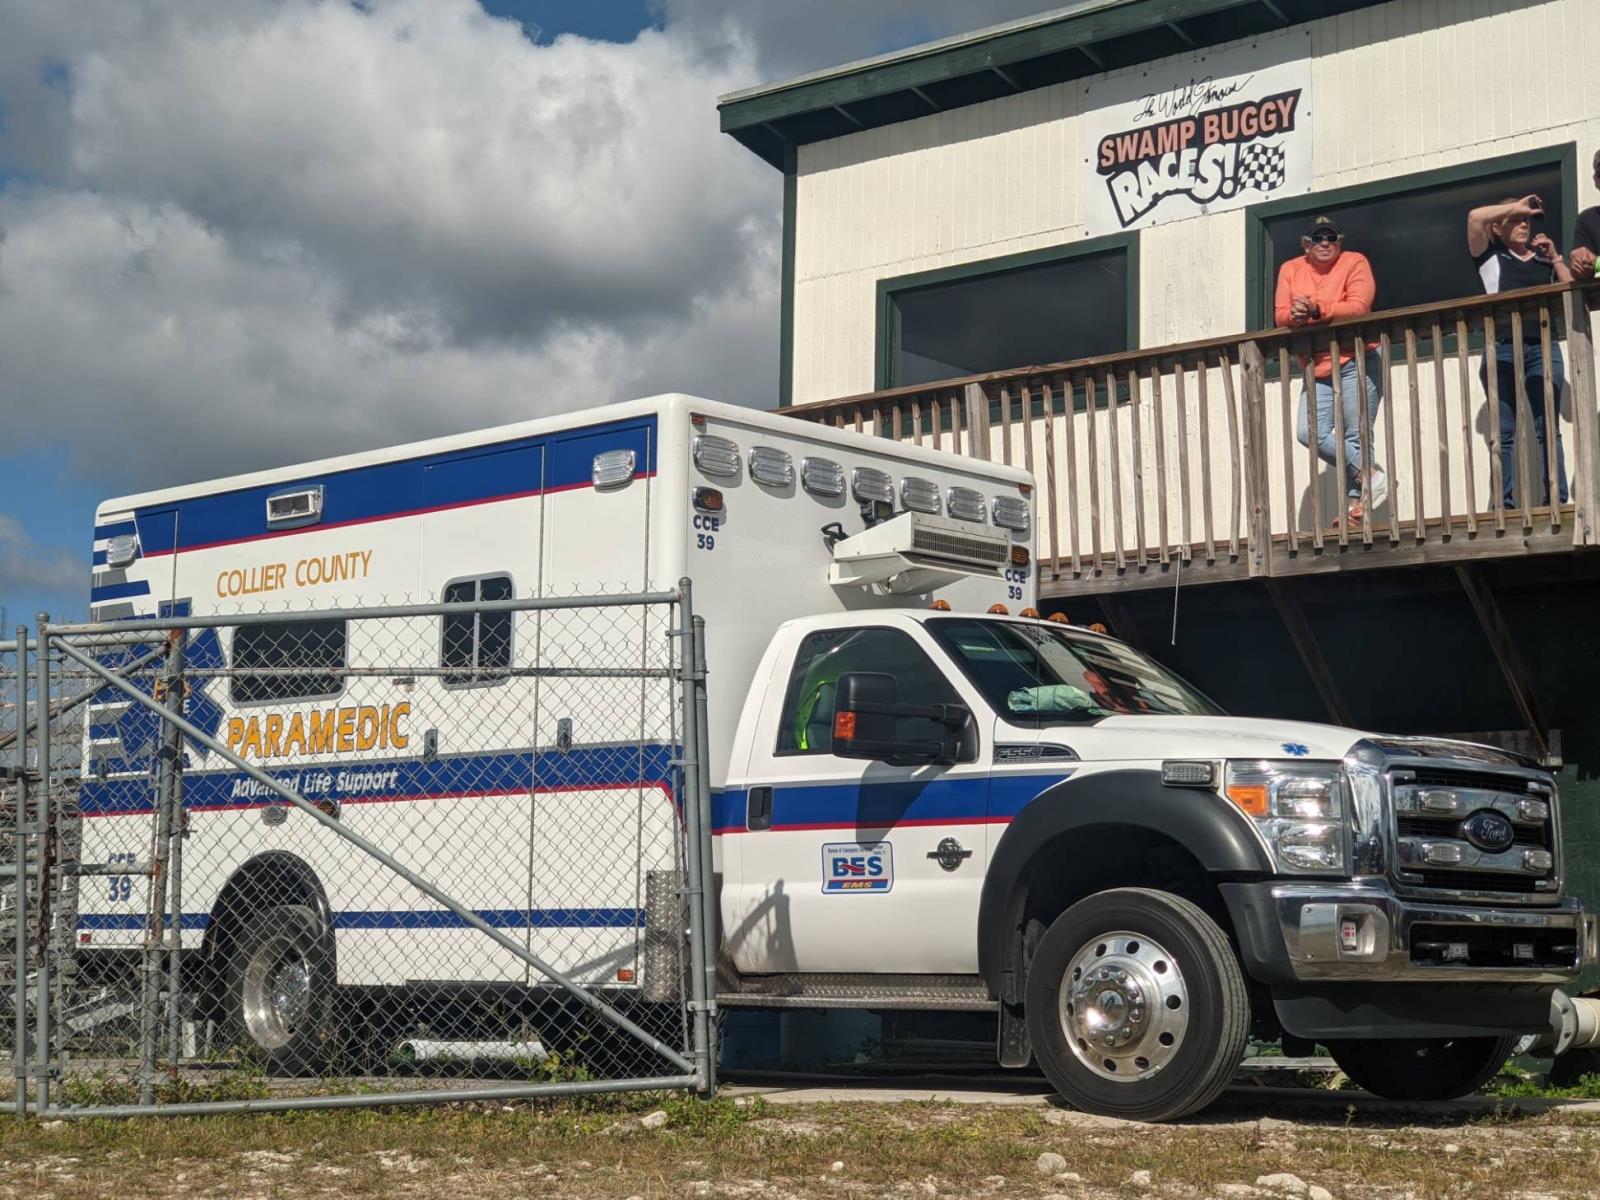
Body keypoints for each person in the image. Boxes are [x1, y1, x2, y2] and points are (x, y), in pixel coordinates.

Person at [1274, 215, 1387, 527]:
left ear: (1340, 241)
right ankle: (1372, 475)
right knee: (1308, 432)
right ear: (1305, 244)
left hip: (1358, 356)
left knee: (1357, 433)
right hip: (1315, 364)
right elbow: (1280, 313)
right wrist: (1295, 317)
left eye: (1331, 237)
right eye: (1317, 238)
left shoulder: (1355, 262)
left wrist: (1315, 309)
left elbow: (1358, 307)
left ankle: (1356, 510)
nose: (1325, 243)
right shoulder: (1290, 268)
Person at [1466, 194, 1571, 510]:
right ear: (1497, 228)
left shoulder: (1541, 260)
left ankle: (1556, 499)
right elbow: (1474, 217)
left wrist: (1555, 259)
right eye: (1516, 219)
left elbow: (1570, 291)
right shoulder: (1492, 258)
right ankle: (1503, 505)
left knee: (1548, 428)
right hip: (1501, 347)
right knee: (1504, 433)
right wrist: (1516, 206)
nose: (1524, 222)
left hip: (1543, 345)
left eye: (1527, 219)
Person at [1567, 149, 1600, 278]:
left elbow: (1595, 263)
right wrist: (1579, 264)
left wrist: (1596, 263)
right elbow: (1581, 274)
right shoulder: (1587, 219)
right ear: (1596, 181)